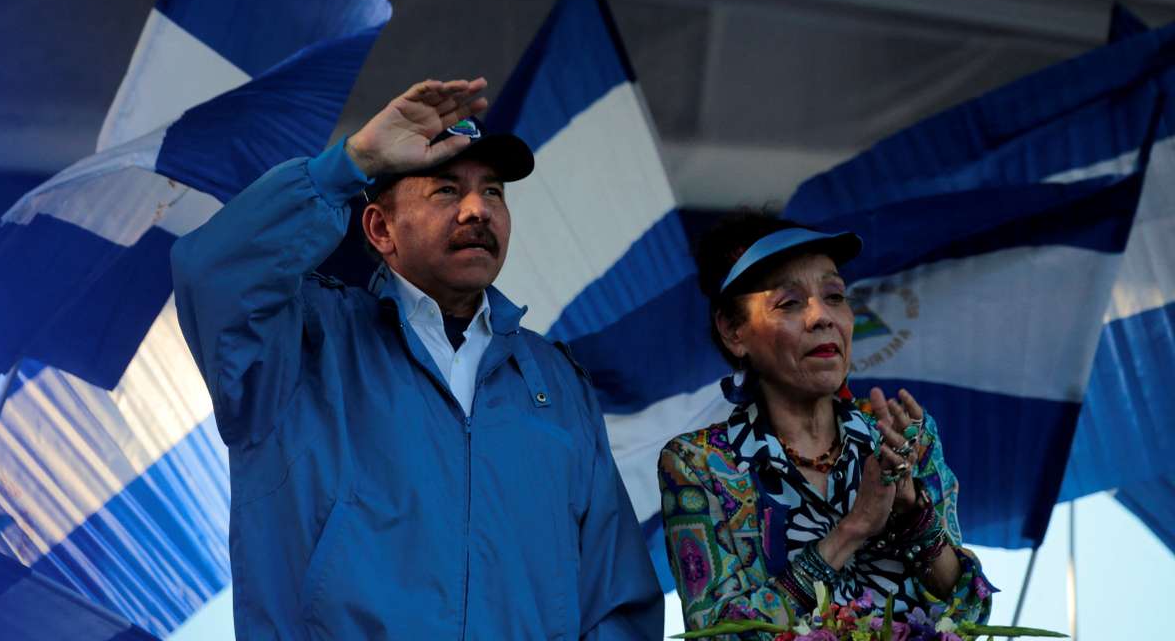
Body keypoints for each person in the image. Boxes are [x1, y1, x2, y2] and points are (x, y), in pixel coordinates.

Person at [171, 78, 662, 639]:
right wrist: (349, 163)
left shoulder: (555, 380)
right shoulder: (302, 340)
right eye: (447, 191)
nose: (478, 209)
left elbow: (615, 597)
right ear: (380, 228)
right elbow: (212, 272)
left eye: (494, 192)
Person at [657, 209, 995, 635]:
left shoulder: (904, 437)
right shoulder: (700, 464)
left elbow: (969, 614)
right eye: (790, 302)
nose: (823, 317)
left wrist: (912, 513)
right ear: (733, 331)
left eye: (835, 296)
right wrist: (851, 530)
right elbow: (719, 634)